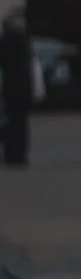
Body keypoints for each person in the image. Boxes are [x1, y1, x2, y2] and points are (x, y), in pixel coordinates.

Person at [0, 9, 32, 169]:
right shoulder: (23, 41)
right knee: (20, 124)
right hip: (24, 89)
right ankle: (19, 155)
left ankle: (12, 154)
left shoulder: (8, 41)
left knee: (12, 123)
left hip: (12, 89)